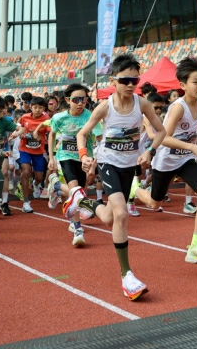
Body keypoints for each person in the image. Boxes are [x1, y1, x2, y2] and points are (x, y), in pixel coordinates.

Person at [67, 54, 166, 300]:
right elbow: (82, 134)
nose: (131, 84)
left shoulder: (142, 104)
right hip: (108, 164)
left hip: (129, 166)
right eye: (125, 80)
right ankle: (127, 276)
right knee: (121, 214)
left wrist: (149, 152)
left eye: (135, 79)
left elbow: (161, 131)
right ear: (114, 81)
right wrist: (83, 156)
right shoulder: (105, 106)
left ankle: (81, 201)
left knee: (111, 218)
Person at [133, 57, 197, 264]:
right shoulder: (178, 107)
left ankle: (195, 246)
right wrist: (192, 146)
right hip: (165, 161)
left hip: (185, 161)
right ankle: (135, 189)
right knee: (154, 203)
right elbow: (164, 137)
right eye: (195, 82)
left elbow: (188, 134)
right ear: (182, 85)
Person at [45, 83, 101, 246]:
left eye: (83, 99)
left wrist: (94, 163)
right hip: (66, 157)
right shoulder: (59, 118)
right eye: (76, 99)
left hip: (85, 159)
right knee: (76, 192)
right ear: (68, 100)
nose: (80, 103)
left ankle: (56, 186)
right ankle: (78, 230)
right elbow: (52, 135)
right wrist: (51, 157)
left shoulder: (91, 116)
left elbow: (99, 140)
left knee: (80, 192)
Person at [17, 96, 50, 211]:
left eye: (40, 108)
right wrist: (19, 134)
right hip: (24, 149)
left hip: (39, 151)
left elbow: (51, 133)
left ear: (44, 109)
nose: (37, 110)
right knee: (26, 171)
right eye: (35, 107)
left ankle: (36, 184)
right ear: (30, 107)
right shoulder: (24, 117)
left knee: (39, 177)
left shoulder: (46, 120)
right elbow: (20, 128)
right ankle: (26, 202)